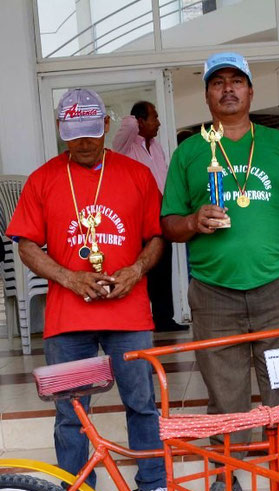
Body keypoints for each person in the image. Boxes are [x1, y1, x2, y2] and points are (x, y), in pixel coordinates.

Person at [160, 52, 279, 491]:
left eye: (237, 81)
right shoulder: (190, 152)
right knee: (225, 394)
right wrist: (192, 221)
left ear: (251, 91)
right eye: (218, 82)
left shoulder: (277, 146)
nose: (228, 89)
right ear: (208, 94)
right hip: (214, 294)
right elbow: (168, 223)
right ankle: (226, 475)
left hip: (278, 287)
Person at [7, 88, 176, 491]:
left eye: (90, 132)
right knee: (70, 411)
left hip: (129, 312)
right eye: (73, 135)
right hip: (69, 316)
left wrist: (135, 271)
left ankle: (153, 483)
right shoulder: (43, 178)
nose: (83, 143)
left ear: (105, 126)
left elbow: (156, 237)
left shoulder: (136, 175)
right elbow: (26, 244)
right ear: (62, 131)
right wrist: (69, 277)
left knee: (141, 400)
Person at [113, 101, 187, 333]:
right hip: (135, 218)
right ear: (141, 122)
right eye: (154, 117)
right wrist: (136, 117)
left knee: (163, 269)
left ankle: (164, 319)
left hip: (159, 214)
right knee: (141, 269)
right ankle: (141, 319)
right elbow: (127, 125)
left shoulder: (155, 146)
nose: (159, 123)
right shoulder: (125, 145)